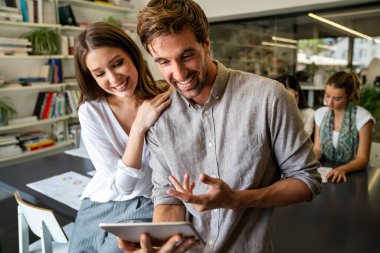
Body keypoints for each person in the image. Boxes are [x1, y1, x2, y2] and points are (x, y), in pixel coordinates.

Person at [116, 1, 323, 252]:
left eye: (186, 55)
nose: (179, 74)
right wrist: (162, 245)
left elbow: (307, 180)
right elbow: (167, 195)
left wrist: (238, 199)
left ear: (206, 43)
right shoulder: (159, 114)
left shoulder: (269, 97)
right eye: (164, 62)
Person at [69, 22, 198, 253]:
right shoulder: (91, 111)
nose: (113, 78)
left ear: (133, 56)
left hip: (150, 203)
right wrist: (139, 127)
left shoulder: (166, 97)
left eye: (117, 63)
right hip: (102, 203)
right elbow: (122, 186)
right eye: (100, 74)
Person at [313, 71, 375, 183]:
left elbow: (362, 159)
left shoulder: (363, 118)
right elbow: (318, 149)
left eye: (337, 98)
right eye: (327, 96)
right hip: (327, 173)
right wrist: (309, 160)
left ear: (350, 95)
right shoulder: (320, 114)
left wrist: (342, 169)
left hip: (355, 175)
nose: (329, 102)